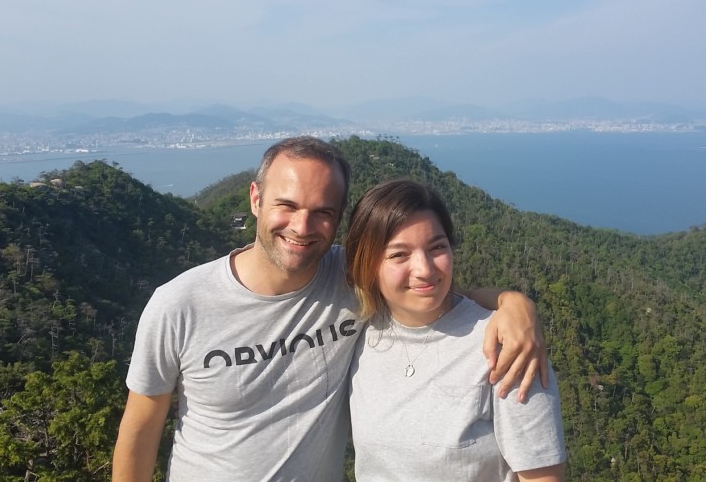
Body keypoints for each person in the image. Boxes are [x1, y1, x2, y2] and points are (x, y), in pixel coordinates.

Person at [112, 137, 547, 482]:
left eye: (322, 212)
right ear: (255, 199)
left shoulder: (350, 275)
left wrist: (514, 304)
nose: (301, 227)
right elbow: (140, 431)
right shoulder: (179, 305)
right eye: (287, 205)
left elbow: (432, 289)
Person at [345, 179, 566, 481]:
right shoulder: (358, 331)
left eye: (437, 247)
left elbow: (542, 477)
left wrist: (514, 302)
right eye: (399, 254)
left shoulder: (504, 344)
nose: (424, 269)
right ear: (367, 265)